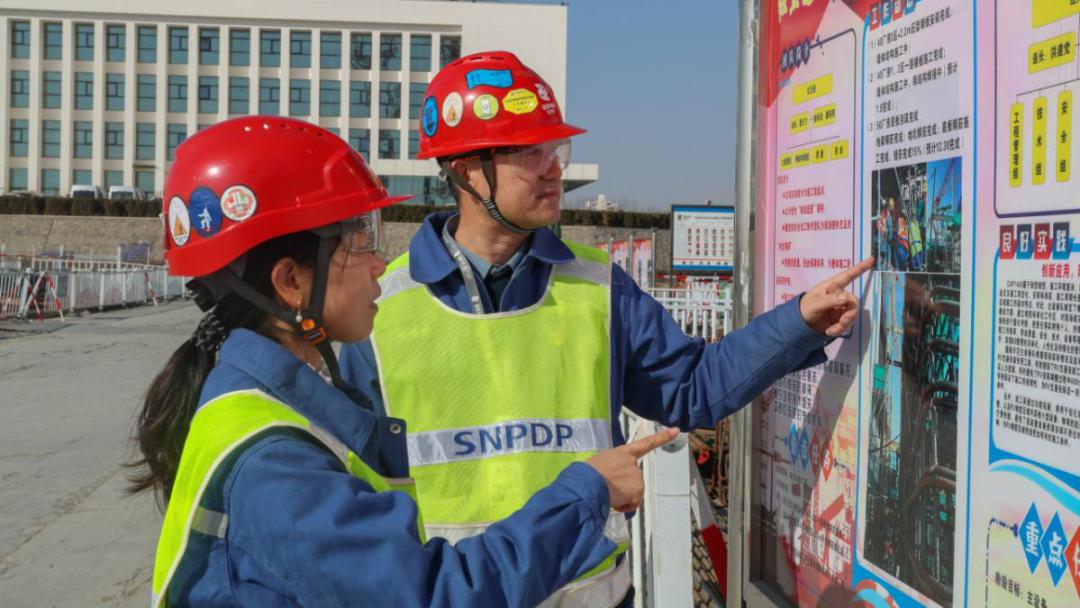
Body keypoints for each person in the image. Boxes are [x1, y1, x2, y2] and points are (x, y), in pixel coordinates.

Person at [339, 50, 874, 606]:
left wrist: (798, 322)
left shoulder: (599, 287)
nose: (554, 168)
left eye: (556, 150)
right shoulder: (381, 311)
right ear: (465, 169)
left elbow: (692, 387)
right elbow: (350, 495)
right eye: (529, 152)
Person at [128, 116, 679, 607]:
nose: (379, 263)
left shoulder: (279, 404)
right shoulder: (274, 463)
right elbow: (432, 594)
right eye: (357, 240)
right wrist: (586, 492)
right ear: (290, 281)